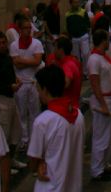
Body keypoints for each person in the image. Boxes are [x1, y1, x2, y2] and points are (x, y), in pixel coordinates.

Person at [27, 64, 83, 192]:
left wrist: (38, 164)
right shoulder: (78, 115)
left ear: (45, 90)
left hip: (50, 186)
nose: (38, 93)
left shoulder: (42, 122)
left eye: (39, 89)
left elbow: (33, 162)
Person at [0, 31, 23, 173]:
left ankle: (10, 160)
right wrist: (9, 86)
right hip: (0, 100)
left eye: (3, 43)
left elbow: (10, 74)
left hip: (10, 98)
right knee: (3, 135)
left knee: (15, 132)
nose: (2, 46)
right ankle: (2, 167)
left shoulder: (7, 57)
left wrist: (15, 81)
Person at [9, 16, 43, 151]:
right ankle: (24, 139)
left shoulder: (37, 43)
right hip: (21, 83)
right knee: (21, 113)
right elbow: (16, 62)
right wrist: (31, 61)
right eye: (25, 28)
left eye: (30, 28)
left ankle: (34, 139)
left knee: (35, 112)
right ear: (20, 30)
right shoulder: (14, 45)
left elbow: (37, 61)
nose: (28, 31)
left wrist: (22, 61)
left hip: (33, 82)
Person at [87, 28, 111, 182]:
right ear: (103, 41)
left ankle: (104, 164)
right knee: (101, 137)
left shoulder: (102, 58)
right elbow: (94, 83)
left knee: (109, 136)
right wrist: (103, 104)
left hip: (108, 100)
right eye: (107, 39)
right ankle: (96, 170)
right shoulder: (94, 60)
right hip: (101, 102)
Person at [65, 0, 91, 73]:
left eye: (77, 2)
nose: (76, 4)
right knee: (76, 56)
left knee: (85, 53)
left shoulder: (83, 12)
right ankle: (78, 71)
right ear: (71, 4)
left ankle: (86, 72)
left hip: (83, 36)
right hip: (74, 38)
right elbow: (67, 26)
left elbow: (87, 23)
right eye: (74, 2)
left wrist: (87, 31)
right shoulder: (68, 14)